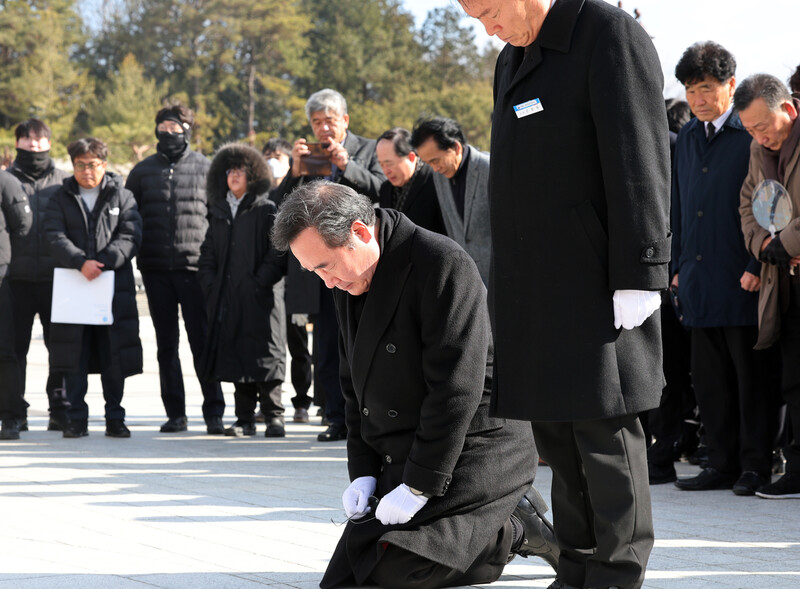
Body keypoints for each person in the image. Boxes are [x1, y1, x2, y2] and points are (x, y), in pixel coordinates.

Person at [458, 1, 671, 588]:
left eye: (490, 11)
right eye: (475, 18)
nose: (488, 28)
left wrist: (642, 270)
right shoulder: (514, 60)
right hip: (531, 284)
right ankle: (576, 565)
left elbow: (640, 158)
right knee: (557, 433)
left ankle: (618, 571)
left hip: (597, 277)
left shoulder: (607, 34)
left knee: (604, 430)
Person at [272, 180, 557, 589]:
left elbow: (455, 389)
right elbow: (354, 383)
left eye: (325, 267)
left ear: (360, 232)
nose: (327, 282)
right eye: (313, 272)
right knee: (352, 575)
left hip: (473, 442)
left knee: (402, 567)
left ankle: (515, 527)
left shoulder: (440, 262)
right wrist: (363, 471)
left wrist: (419, 485)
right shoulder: (350, 278)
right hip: (409, 444)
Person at [670, 42, 775, 496]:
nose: (698, 99)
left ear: (730, 86)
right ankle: (720, 462)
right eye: (691, 90)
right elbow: (678, 205)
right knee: (709, 382)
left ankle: (755, 466)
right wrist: (675, 267)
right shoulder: (688, 138)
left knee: (751, 382)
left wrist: (757, 262)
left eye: (707, 88)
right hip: (696, 278)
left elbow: (769, 205)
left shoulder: (748, 134)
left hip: (743, 277)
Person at [272, 89, 385, 442]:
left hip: (360, 265)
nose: (323, 129)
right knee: (325, 347)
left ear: (345, 121)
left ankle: (373, 418)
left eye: (330, 121)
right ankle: (336, 418)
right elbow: (281, 210)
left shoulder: (368, 150)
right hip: (321, 269)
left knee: (365, 344)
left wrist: (347, 164)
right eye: (316, 123)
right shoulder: (309, 160)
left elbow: (384, 191)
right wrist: (294, 170)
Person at [125, 102, 225, 435]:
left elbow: (217, 219)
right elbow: (130, 219)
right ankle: (175, 413)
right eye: (163, 128)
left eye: (175, 127)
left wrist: (212, 263)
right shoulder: (141, 171)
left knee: (202, 340)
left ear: (188, 130)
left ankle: (213, 412)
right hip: (155, 269)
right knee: (166, 344)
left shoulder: (207, 168)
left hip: (194, 269)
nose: (168, 133)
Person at [44, 138, 142, 438]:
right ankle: (76, 418)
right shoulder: (60, 197)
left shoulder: (122, 196)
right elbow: (52, 233)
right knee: (76, 356)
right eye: (81, 164)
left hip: (113, 287)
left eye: (94, 164)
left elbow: (131, 234)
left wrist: (103, 262)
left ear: (105, 164)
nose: (87, 170)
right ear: (73, 166)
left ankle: (115, 417)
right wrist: (79, 261)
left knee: (114, 355)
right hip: (74, 287)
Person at [737, 74, 800, 499]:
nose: (760, 137)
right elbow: (748, 201)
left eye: (765, 126)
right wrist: (764, 245)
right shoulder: (758, 151)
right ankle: (795, 469)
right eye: (751, 130)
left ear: (789, 110)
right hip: (784, 281)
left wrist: (787, 242)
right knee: (793, 379)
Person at [198, 143, 286, 438]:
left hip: (263, 297)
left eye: (240, 171)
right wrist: (210, 282)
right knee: (237, 354)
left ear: (253, 176)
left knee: (267, 355)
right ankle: (244, 419)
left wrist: (260, 281)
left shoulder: (266, 209)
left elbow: (279, 252)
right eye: (230, 171)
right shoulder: (219, 211)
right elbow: (208, 251)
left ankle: (274, 417)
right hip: (228, 297)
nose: (234, 176)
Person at [6, 119, 71, 431]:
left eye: (39, 140)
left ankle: (59, 408)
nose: (33, 145)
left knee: (59, 349)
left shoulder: (64, 181)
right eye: (27, 139)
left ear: (49, 143)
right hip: (14, 281)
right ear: (17, 143)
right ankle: (14, 412)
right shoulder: (6, 181)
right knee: (13, 350)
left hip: (56, 280)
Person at [264, 137, 313, 423]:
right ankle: (271, 402)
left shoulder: (302, 182)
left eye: (278, 156)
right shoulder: (262, 190)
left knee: (300, 346)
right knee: (277, 345)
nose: (272, 161)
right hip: (274, 280)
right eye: (268, 156)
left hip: (301, 276)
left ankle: (303, 400)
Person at [410, 117, 491, 285]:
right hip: (468, 279)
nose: (434, 168)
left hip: (499, 279)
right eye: (427, 163)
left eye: (435, 160)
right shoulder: (439, 176)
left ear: (455, 147)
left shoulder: (490, 169)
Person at [0, 170, 31, 440]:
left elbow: (23, 224)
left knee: (5, 350)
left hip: (1, 277)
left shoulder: (4, 180)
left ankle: (10, 416)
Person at [376, 127, 445, 235]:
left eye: (389, 163)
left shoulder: (436, 181)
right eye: (381, 164)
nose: (386, 171)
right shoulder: (386, 189)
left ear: (411, 157)